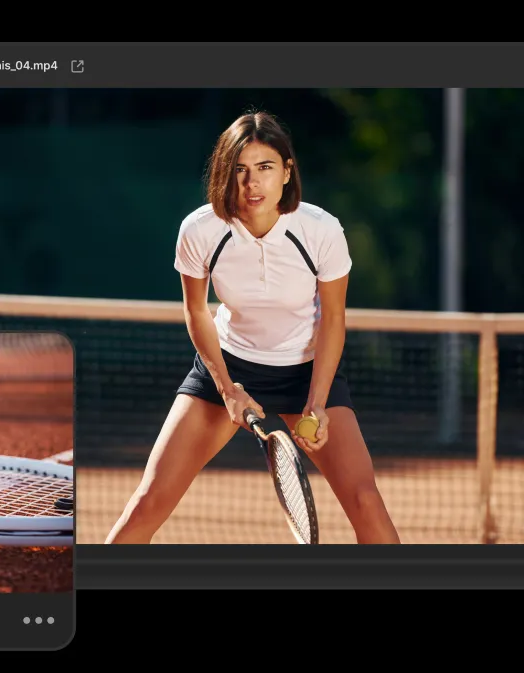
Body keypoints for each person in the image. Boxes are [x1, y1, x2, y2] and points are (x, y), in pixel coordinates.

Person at [104, 110, 401, 544]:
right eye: (240, 170)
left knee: (365, 501)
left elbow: (334, 318)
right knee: (149, 501)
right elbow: (197, 312)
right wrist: (227, 389)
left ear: (287, 171)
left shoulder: (321, 230)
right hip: (229, 369)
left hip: (306, 374)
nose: (252, 183)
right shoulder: (200, 230)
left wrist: (316, 402)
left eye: (265, 168)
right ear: (226, 174)